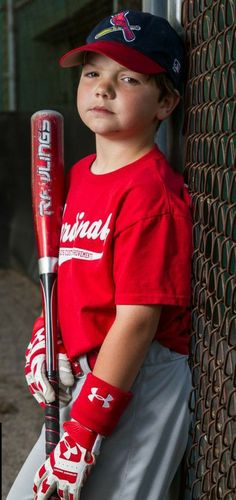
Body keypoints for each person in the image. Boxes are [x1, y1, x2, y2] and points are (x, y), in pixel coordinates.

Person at [7, 9, 192, 500]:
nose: (103, 88)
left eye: (128, 77)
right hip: (92, 372)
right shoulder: (83, 174)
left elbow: (137, 322)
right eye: (93, 72)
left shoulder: (151, 194)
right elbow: (66, 269)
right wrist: (46, 333)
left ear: (166, 101)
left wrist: (85, 431)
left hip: (137, 376)